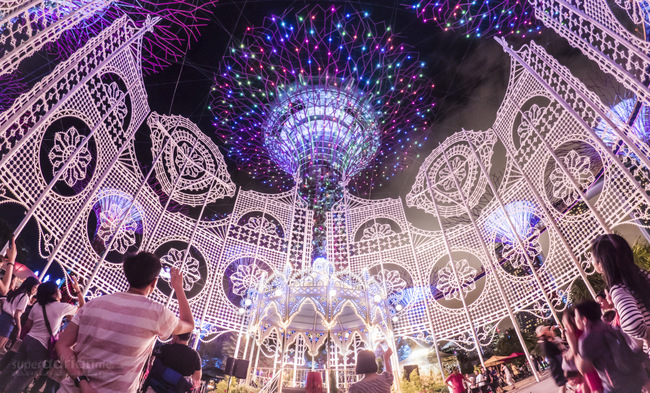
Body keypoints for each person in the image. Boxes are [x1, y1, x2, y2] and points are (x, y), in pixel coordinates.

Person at [56, 252, 195, 393]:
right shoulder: (158, 314)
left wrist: (82, 382)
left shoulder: (93, 304)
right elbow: (189, 324)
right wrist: (178, 287)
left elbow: (62, 345)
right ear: (154, 282)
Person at [0, 278, 84, 391]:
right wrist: (78, 290)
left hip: (28, 339)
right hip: (41, 346)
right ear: (53, 293)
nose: (60, 291)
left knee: (12, 367)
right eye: (58, 289)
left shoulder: (37, 305)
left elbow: (28, 325)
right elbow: (83, 307)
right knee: (24, 376)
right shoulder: (61, 307)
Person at [590, 234, 650, 349]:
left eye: (593, 258)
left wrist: (646, 334)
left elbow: (633, 323)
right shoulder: (644, 275)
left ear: (602, 264)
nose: (592, 261)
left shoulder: (619, 289)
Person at [574, 300, 648, 393]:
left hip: (616, 387)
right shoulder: (613, 328)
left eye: (576, 316)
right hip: (635, 380)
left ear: (584, 319)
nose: (575, 320)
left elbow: (583, 368)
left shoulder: (586, 340)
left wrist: (573, 343)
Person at [562, 308, 603, 393]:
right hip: (596, 361)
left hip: (585, 364)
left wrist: (566, 356)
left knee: (595, 387)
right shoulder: (583, 328)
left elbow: (574, 350)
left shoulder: (571, 333)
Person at [0, 275, 39, 350]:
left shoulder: (16, 292)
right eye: (35, 287)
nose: (35, 290)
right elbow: (17, 315)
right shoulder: (24, 297)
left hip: (3, 316)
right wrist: (19, 328)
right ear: (30, 286)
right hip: (8, 321)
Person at [536, 325, 568, 393]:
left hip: (557, 365)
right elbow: (557, 350)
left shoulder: (545, 342)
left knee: (563, 385)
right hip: (557, 366)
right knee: (562, 385)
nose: (548, 332)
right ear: (544, 333)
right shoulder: (546, 343)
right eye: (547, 331)